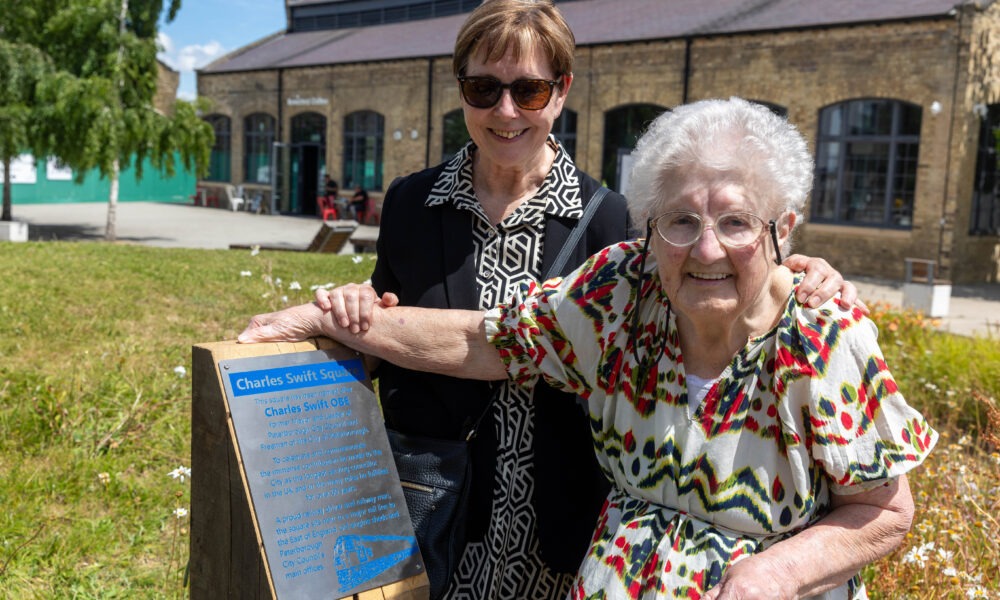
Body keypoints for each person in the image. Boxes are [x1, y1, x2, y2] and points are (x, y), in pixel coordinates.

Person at [240, 97, 935, 599]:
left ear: (783, 227)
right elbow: (482, 341)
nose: (707, 249)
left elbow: (883, 511)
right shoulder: (621, 292)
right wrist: (326, 317)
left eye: (735, 221)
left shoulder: (823, 337)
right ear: (649, 225)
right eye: (681, 222)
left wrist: (772, 573)